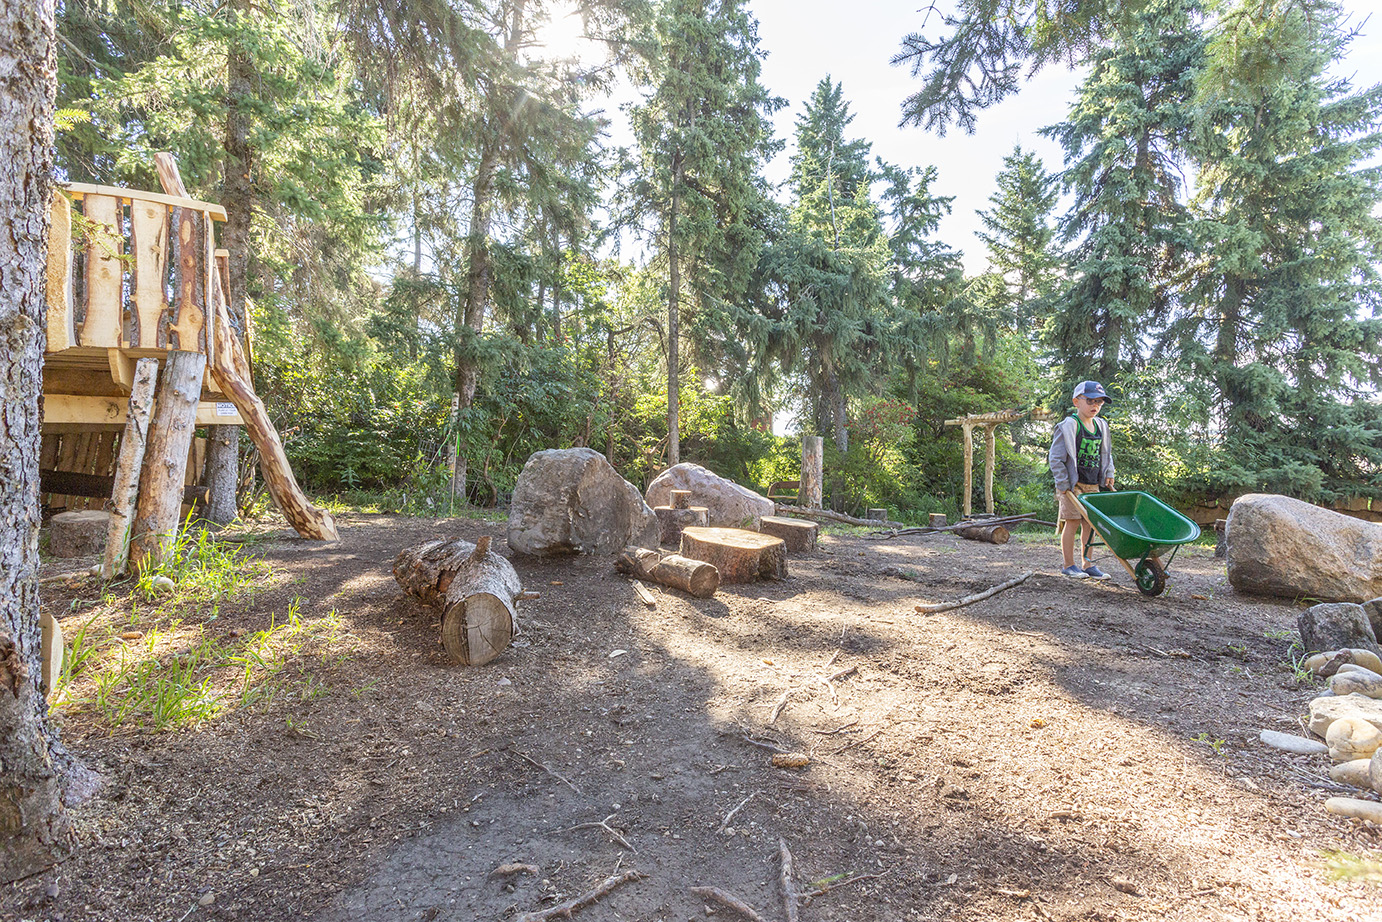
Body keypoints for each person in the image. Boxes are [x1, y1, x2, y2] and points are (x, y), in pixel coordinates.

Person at [1048, 380, 1116, 579]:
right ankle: (1069, 565)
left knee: (1090, 524)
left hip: (1093, 482)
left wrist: (1108, 473)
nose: (1095, 406)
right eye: (1090, 401)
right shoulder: (1069, 426)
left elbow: (1106, 453)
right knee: (1072, 522)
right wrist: (1063, 484)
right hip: (1073, 485)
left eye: (1100, 402)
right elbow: (1056, 458)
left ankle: (1088, 563)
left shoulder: (1101, 426)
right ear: (1076, 401)